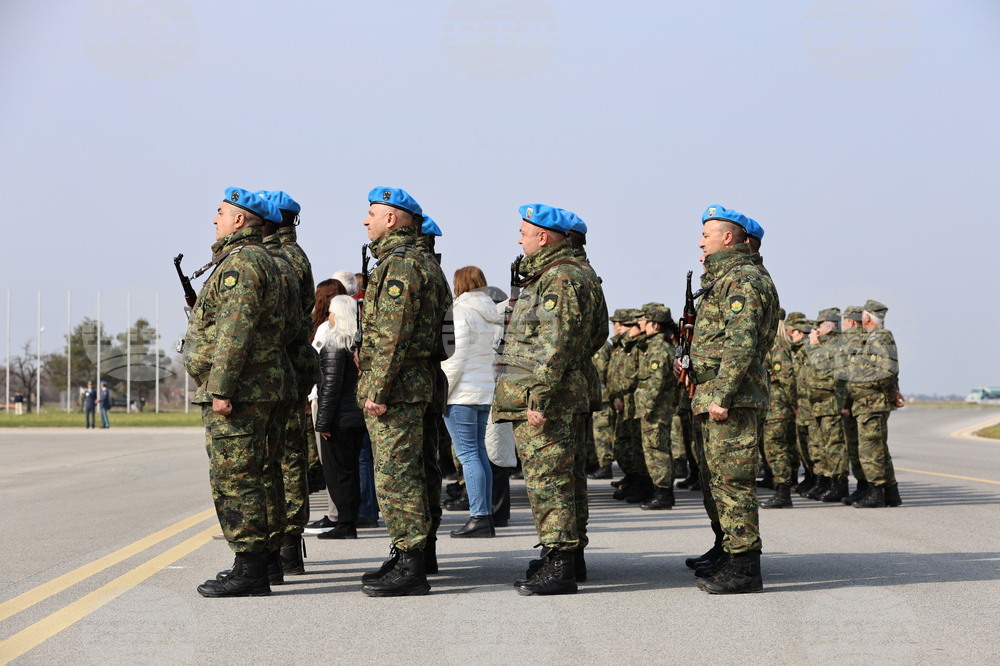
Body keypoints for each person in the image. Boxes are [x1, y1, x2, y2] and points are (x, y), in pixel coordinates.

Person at [493, 204, 607, 596]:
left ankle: (560, 564)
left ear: (544, 237)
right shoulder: (571, 274)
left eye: (524, 232)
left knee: (549, 482)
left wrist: (539, 396)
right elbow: (593, 337)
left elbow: (554, 343)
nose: (519, 238)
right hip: (562, 393)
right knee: (567, 480)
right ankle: (567, 558)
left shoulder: (558, 278)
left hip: (547, 397)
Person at [184, 186, 288, 598]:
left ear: (240, 220)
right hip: (256, 387)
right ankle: (258, 564)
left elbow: (234, 331)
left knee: (236, 478)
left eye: (221, 212)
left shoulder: (242, 264)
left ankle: (250, 570)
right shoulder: (255, 259)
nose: (215, 219)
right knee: (255, 475)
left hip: (240, 392)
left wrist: (220, 388)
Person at [678, 204, 778, 595]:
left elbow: (741, 343)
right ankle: (727, 549)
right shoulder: (723, 280)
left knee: (732, 482)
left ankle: (744, 567)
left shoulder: (744, 281)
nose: (701, 241)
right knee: (713, 479)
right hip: (714, 395)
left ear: (729, 238)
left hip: (731, 399)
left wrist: (721, 394)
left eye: (707, 234)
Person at [356, 186, 450, 597]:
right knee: (420, 469)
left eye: (372, 213)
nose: (366, 221)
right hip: (419, 381)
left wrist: (377, 387)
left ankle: (410, 563)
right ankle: (415, 551)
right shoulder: (424, 261)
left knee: (397, 474)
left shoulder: (400, 265)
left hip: (398, 385)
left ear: (392, 219)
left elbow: (392, 333)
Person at [258, 190, 322, 576]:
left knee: (279, 459)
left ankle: (281, 544)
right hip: (294, 369)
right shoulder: (296, 256)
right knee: (290, 457)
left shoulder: (277, 258)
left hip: (280, 370)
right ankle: (286, 545)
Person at [441, 266, 504, 538]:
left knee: (468, 455)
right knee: (478, 453)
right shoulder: (491, 313)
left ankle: (478, 516)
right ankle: (486, 515)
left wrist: (442, 394)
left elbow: (454, 358)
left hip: (461, 393)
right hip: (483, 390)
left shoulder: (459, 312)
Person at [314, 295, 368, 538]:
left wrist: (322, 422)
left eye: (331, 313)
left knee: (336, 472)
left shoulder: (334, 345)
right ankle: (349, 520)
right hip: (357, 416)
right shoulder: (358, 344)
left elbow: (330, 387)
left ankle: (345, 524)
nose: (329, 317)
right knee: (352, 470)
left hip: (340, 418)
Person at [847, 299, 905, 508]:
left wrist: (891, 396)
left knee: (870, 449)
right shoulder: (872, 337)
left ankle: (876, 492)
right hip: (867, 402)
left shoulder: (880, 336)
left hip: (873, 402)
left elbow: (886, 370)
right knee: (878, 448)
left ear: (867, 316)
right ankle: (891, 493)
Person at [635, 303, 679, 510]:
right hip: (655, 408)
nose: (641, 323)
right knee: (656, 449)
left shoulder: (659, 348)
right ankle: (660, 491)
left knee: (656, 450)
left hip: (655, 409)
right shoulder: (655, 345)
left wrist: (647, 408)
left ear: (656, 325)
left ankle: (663, 494)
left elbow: (656, 381)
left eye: (645, 319)